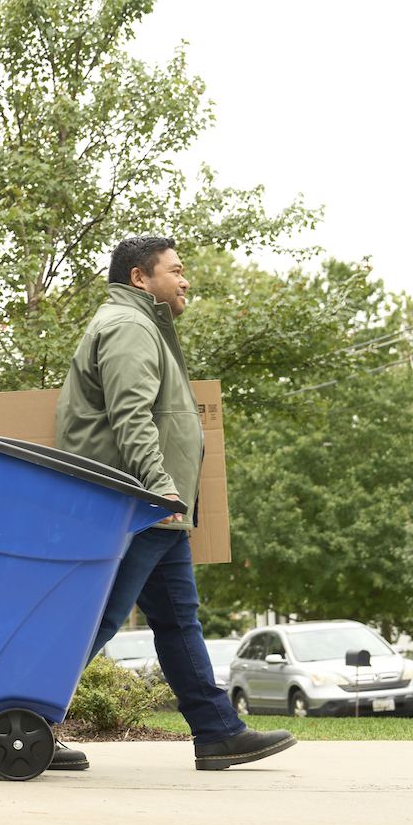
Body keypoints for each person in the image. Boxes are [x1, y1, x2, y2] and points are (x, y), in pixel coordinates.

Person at [57, 236, 297, 772]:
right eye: (177, 271)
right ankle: (21, 715)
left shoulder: (142, 326)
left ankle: (216, 731)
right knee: (97, 619)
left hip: (158, 509)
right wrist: (159, 484)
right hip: (136, 503)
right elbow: (131, 414)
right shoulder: (128, 327)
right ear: (140, 278)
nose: (186, 281)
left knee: (177, 621)